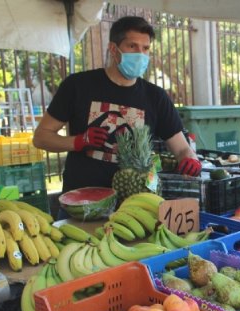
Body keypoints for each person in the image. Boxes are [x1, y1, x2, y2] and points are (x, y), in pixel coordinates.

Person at [33, 16, 201, 200]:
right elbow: (41, 137)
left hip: (136, 205)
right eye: (132, 46)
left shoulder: (156, 97)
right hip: (82, 202)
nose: (140, 54)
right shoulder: (78, 86)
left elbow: (182, 148)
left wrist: (190, 159)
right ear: (113, 49)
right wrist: (79, 141)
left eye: (145, 48)